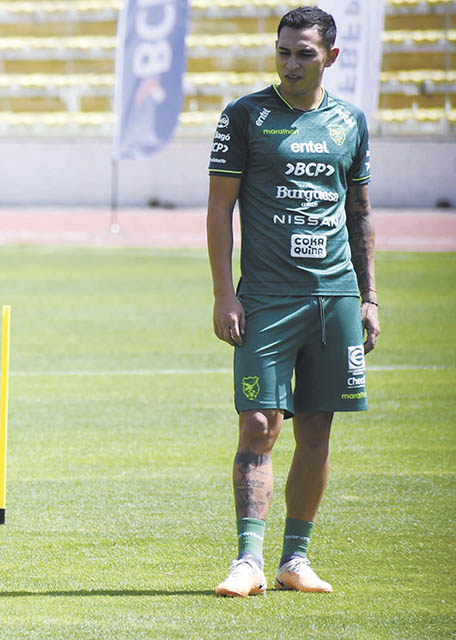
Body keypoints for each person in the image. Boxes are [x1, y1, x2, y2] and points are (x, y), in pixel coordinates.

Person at [206, 6, 379, 598]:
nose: (290, 62)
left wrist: (369, 297)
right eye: (283, 51)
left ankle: (295, 559)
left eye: (304, 53)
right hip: (267, 301)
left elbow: (358, 215)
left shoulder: (350, 122)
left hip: (334, 298)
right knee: (258, 423)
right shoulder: (245, 116)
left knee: (316, 429)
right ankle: (247, 561)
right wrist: (224, 292)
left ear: (331, 57)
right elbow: (218, 211)